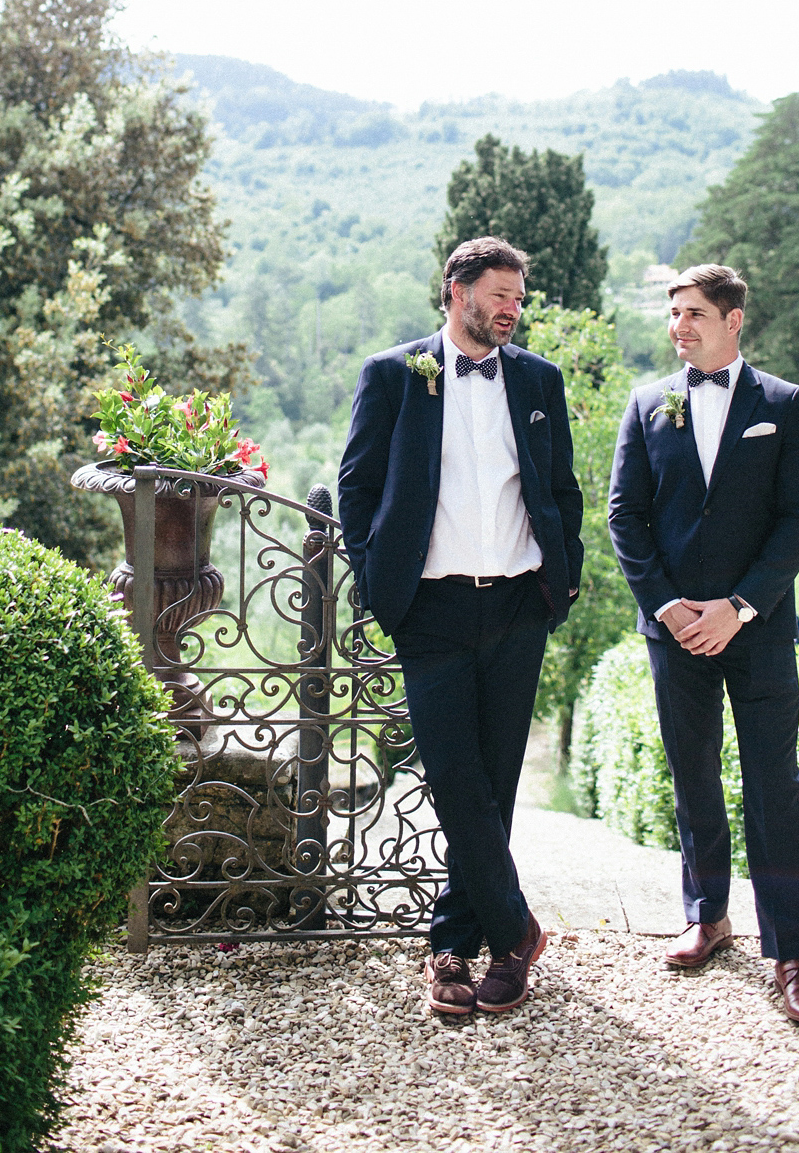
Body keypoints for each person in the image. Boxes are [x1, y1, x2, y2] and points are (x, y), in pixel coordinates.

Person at [338, 236, 583, 1016]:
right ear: (456, 291)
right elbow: (357, 487)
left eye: (518, 299)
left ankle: (455, 946)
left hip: (516, 604)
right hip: (432, 610)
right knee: (452, 776)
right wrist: (382, 584)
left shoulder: (540, 379)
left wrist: (562, 575)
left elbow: (562, 489)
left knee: (496, 781)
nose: (511, 310)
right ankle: (515, 933)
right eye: (500, 296)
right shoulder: (394, 375)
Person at [608, 263, 799, 1026]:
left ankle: (792, 952)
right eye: (675, 313)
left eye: (696, 312)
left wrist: (739, 607)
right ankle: (707, 916)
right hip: (674, 634)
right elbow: (624, 518)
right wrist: (670, 608)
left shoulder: (785, 405)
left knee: (775, 783)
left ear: (735, 320)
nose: (681, 326)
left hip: (756, 629)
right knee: (692, 774)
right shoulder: (646, 405)